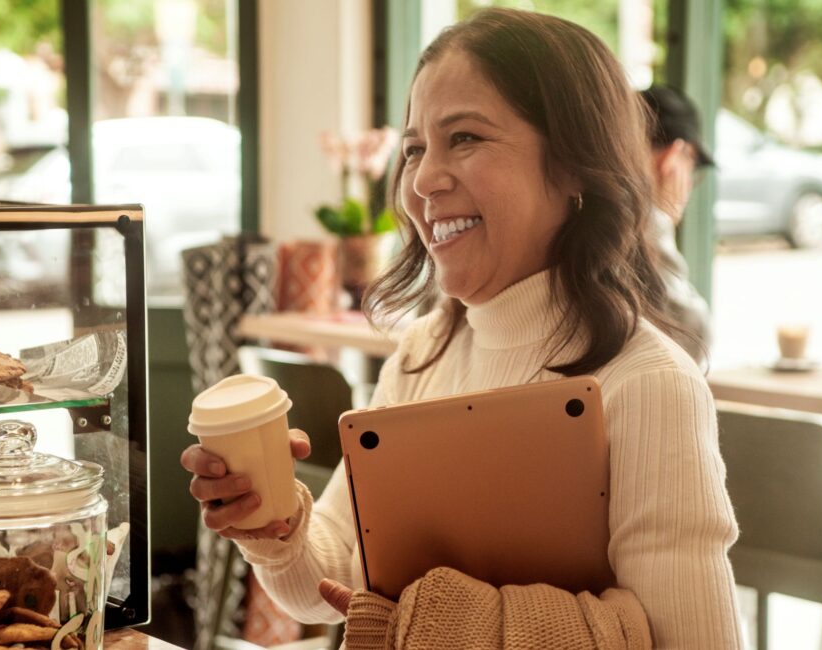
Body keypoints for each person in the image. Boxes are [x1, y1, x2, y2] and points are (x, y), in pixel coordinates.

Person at [182, 9, 742, 649]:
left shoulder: (648, 384)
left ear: (574, 167)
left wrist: (454, 622)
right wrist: (274, 522)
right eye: (416, 147)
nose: (421, 179)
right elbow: (332, 577)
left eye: (467, 138)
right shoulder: (425, 351)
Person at [640, 84, 715, 368]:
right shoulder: (631, 223)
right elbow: (692, 338)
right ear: (674, 157)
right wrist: (659, 216)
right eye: (692, 170)